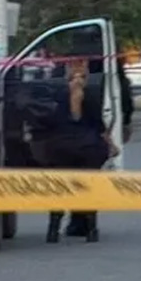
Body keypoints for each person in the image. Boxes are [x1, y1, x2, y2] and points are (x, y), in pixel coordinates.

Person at [20, 58, 117, 243]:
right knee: (89, 187)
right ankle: (91, 230)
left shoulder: (55, 95)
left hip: (59, 150)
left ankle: (53, 229)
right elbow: (99, 127)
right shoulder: (91, 96)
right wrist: (111, 146)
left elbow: (44, 122)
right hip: (87, 150)